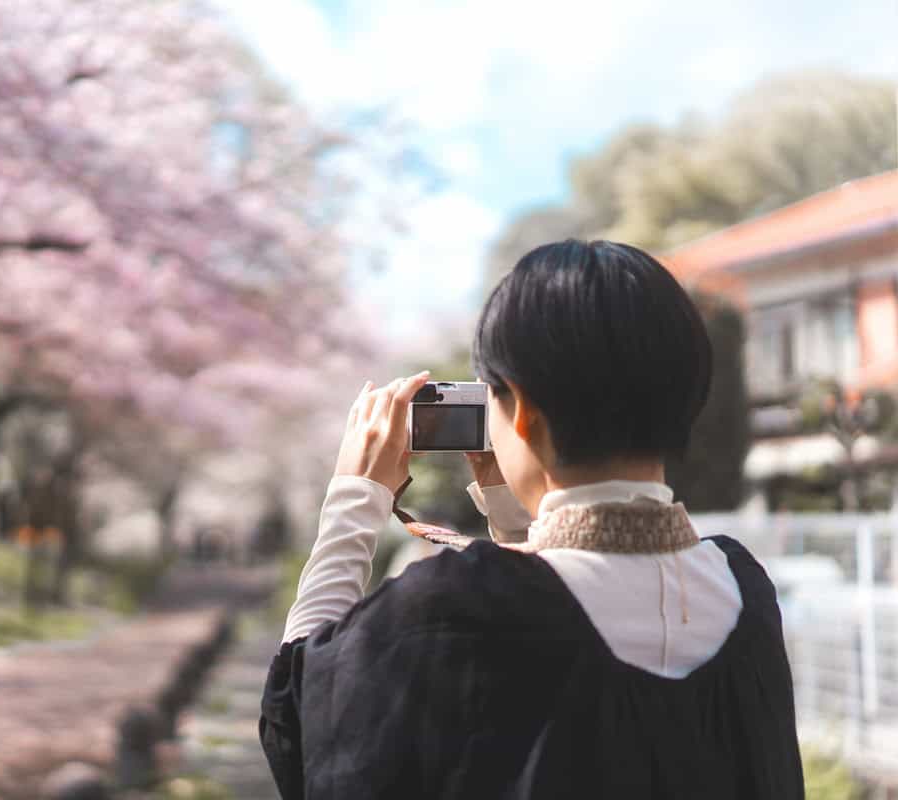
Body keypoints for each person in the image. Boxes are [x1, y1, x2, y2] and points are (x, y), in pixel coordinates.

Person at [259, 239, 803, 799]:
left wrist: (356, 496)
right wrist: (516, 501)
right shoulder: (746, 593)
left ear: (521, 408)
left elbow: (301, 717)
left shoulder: (449, 611)